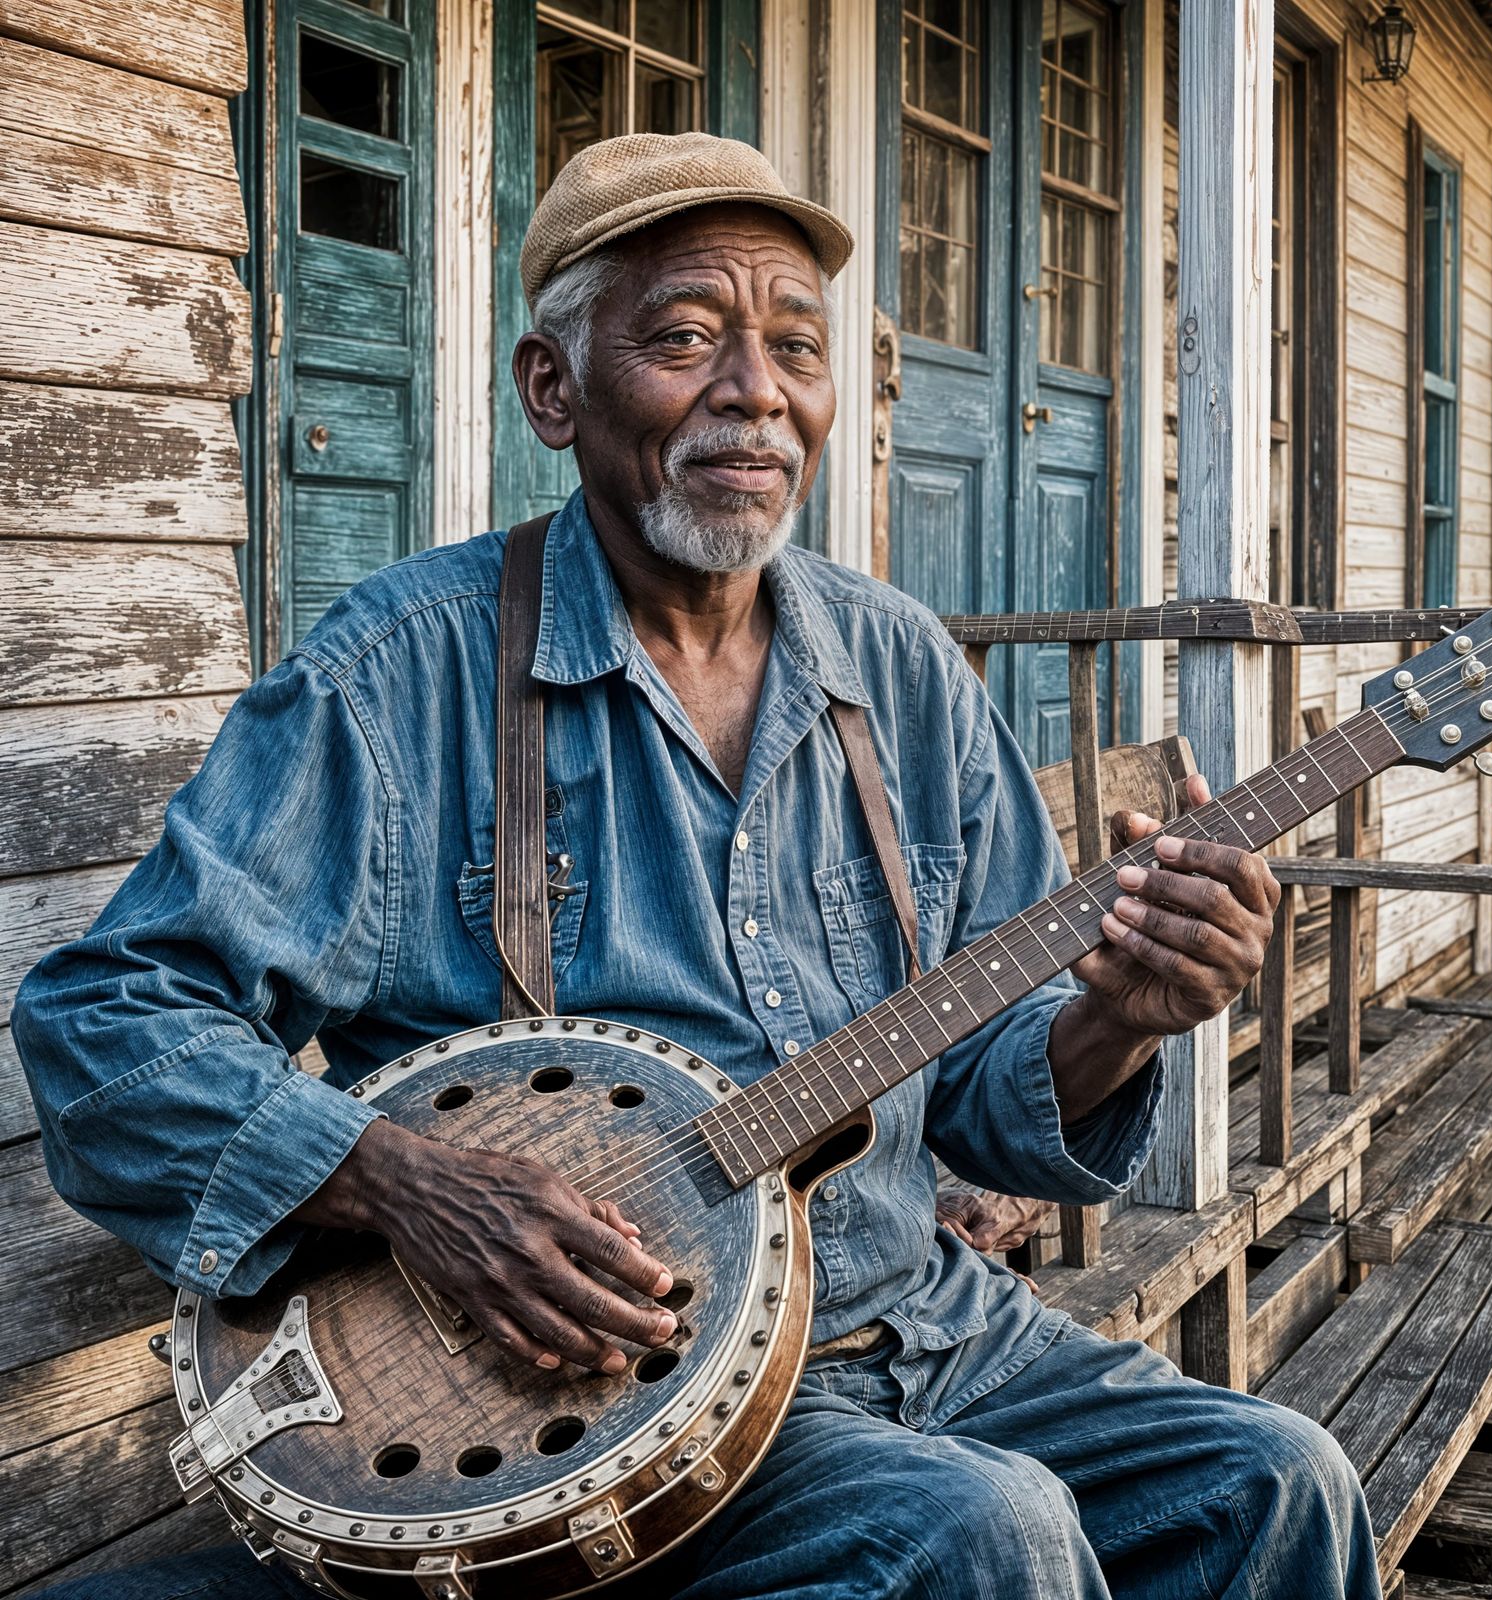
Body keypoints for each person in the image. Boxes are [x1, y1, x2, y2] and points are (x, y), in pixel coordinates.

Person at [15, 132, 1381, 1599]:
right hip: (611, 1402)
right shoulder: (401, 676)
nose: (755, 391)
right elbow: (108, 1027)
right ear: (554, 389)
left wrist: (1121, 1016)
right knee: (980, 1532)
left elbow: (982, 1099)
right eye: (682, 339)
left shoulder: (903, 670)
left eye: (797, 346)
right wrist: (411, 1188)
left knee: (1280, 1483)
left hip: (932, 1325)